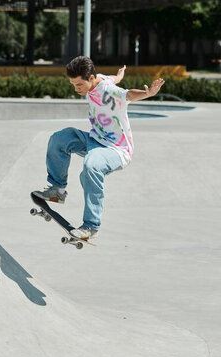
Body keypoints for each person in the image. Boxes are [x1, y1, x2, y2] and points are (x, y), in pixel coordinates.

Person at [32, 56, 165, 240]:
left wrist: (148, 93)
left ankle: (91, 226)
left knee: (91, 166)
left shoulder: (109, 91)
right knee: (59, 139)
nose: (76, 88)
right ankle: (57, 191)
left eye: (79, 84)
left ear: (91, 78)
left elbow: (128, 94)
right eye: (73, 84)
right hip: (95, 140)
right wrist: (119, 74)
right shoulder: (100, 78)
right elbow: (112, 78)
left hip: (116, 149)